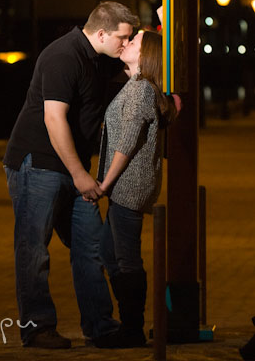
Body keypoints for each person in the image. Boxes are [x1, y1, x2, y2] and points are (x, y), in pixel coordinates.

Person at [3, 1, 139, 349]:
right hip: (39, 164)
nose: (126, 44)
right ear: (102, 33)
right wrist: (81, 174)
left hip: (69, 166)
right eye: (123, 38)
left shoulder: (98, 57)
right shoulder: (63, 56)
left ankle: (100, 326)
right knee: (34, 249)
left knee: (91, 246)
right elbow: (54, 119)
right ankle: (37, 329)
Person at [97, 29, 177, 348]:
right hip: (124, 183)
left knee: (127, 257)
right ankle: (129, 324)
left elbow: (127, 143)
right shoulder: (134, 85)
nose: (127, 43)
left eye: (135, 42)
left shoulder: (141, 89)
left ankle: (132, 329)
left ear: (147, 56)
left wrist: (104, 183)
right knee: (108, 252)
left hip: (129, 184)